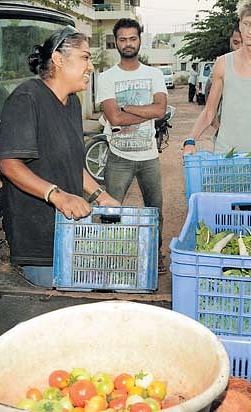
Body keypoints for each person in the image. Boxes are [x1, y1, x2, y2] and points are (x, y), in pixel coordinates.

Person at [0, 25, 120, 285]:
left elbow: (71, 163)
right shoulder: (27, 98)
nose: (90, 66)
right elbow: (10, 165)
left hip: (70, 229)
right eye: (85, 57)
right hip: (41, 238)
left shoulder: (72, 102)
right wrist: (56, 195)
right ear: (58, 59)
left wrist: (101, 195)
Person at [96, 18, 168, 270]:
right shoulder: (106, 77)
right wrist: (145, 111)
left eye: (133, 38)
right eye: (123, 39)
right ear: (115, 42)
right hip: (118, 157)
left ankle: (155, 256)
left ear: (140, 40)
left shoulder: (154, 74)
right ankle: (108, 258)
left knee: (155, 210)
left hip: (149, 157)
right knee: (109, 212)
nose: (128, 44)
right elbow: (113, 118)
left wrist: (127, 107)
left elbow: (161, 110)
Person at [182, 0, 251, 157]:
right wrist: (190, 140)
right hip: (225, 155)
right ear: (240, 25)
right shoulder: (222, 63)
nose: (250, 30)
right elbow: (209, 111)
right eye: (246, 23)